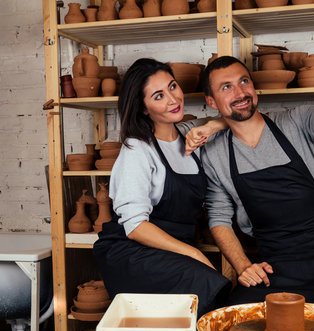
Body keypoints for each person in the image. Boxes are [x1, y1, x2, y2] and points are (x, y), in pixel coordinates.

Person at [188, 16, 314, 313]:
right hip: (276, 268)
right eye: (226, 88)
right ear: (211, 101)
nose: (240, 93)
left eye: (243, 81)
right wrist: (243, 265)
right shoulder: (216, 155)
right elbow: (219, 218)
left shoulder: (295, 123)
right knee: (231, 328)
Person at [93, 58, 231, 317]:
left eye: (172, 86)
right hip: (133, 252)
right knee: (209, 285)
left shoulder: (189, 133)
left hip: (171, 248)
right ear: (143, 108)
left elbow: (235, 118)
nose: (172, 99)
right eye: (159, 95)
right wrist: (193, 253)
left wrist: (211, 126)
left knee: (207, 292)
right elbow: (134, 227)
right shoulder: (138, 149)